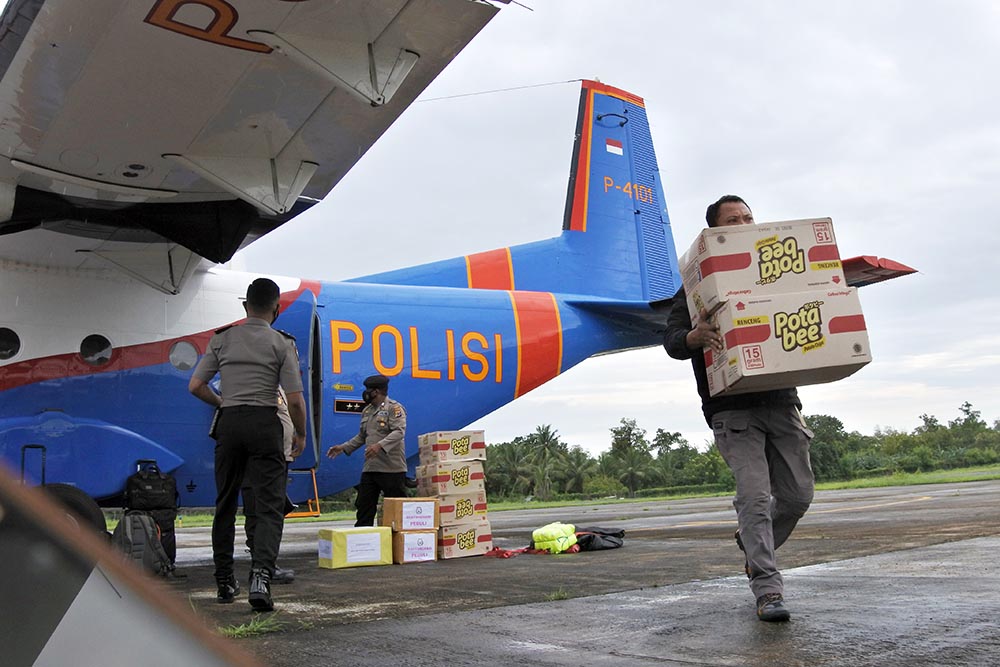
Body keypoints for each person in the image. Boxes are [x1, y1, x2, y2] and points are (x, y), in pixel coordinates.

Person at [662, 195, 815, 623]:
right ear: (715, 232)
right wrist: (693, 337)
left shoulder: (776, 271)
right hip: (732, 410)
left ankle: (751, 547)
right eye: (734, 220)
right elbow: (671, 338)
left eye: (749, 217)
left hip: (782, 400)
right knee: (754, 499)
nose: (745, 223)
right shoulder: (694, 287)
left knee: (799, 495)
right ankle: (767, 589)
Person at [189, 278, 307, 612]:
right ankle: (260, 578)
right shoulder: (282, 344)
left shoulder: (222, 340)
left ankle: (225, 582)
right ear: (276, 309)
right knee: (268, 506)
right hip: (265, 424)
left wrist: (221, 402)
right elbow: (295, 401)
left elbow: (196, 386)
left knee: (225, 503)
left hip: (230, 423)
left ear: (245, 306)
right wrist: (299, 435)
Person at [325, 374, 407, 526]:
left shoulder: (394, 408)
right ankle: (363, 540)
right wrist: (343, 447)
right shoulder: (367, 411)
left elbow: (399, 431)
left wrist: (379, 446)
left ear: (376, 391)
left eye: (368, 390)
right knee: (364, 506)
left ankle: (399, 543)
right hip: (370, 468)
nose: (366, 393)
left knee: (397, 509)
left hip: (391, 468)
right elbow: (362, 436)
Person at [241, 386, 297, 585]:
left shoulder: (278, 386)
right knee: (262, 511)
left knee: (268, 510)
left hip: (278, 456)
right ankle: (264, 568)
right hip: (264, 457)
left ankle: (263, 565)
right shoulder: (255, 380)